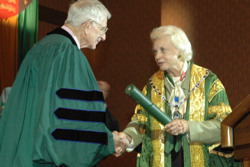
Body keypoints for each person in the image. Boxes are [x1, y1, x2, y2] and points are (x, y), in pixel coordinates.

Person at [0, 0, 128, 166]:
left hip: (22, 153)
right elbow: (70, 120)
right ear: (89, 25)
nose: (103, 37)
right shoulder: (68, 54)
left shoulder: (39, 48)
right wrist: (108, 141)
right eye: (103, 29)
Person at [120, 25, 240, 167]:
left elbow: (225, 126)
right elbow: (141, 123)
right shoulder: (152, 86)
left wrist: (189, 127)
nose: (157, 56)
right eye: (155, 51)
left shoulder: (208, 82)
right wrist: (127, 137)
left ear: (181, 50)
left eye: (163, 50)